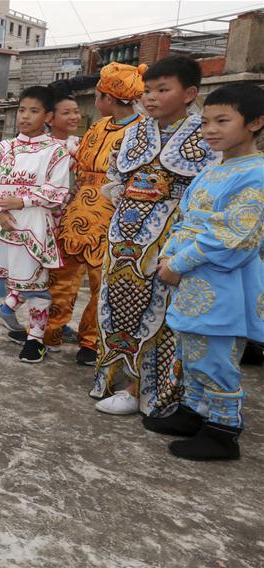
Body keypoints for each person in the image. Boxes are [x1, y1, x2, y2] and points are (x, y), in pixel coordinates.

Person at [142, 83, 263, 460]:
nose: (210, 129)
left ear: (256, 123)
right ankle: (194, 412)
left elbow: (234, 237)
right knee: (191, 350)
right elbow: (188, 218)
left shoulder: (256, 174)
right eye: (207, 121)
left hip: (221, 282)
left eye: (222, 121)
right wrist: (169, 257)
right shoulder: (216, 166)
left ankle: (223, 430)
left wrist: (176, 263)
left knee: (215, 356)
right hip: (193, 278)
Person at [92, 55, 218, 416]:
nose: (151, 97)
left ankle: (153, 391)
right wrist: (124, 200)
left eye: (163, 89)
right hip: (125, 235)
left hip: (171, 237)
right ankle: (124, 380)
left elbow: (206, 190)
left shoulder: (203, 133)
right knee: (120, 305)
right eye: (148, 90)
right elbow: (115, 176)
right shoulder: (135, 131)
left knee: (163, 311)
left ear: (189, 93)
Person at [40, 63, 145, 367]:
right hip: (77, 212)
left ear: (108, 98)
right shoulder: (98, 127)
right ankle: (50, 333)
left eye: (98, 95)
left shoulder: (141, 132)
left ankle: (90, 342)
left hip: (113, 214)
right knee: (61, 276)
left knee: (102, 283)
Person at [0, 86, 71, 363]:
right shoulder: (4, 148)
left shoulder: (56, 151)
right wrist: (0, 211)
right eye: (22, 110)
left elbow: (57, 192)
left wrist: (21, 202)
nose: (25, 116)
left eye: (34, 111)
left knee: (33, 284)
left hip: (33, 225)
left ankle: (35, 339)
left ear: (48, 116)